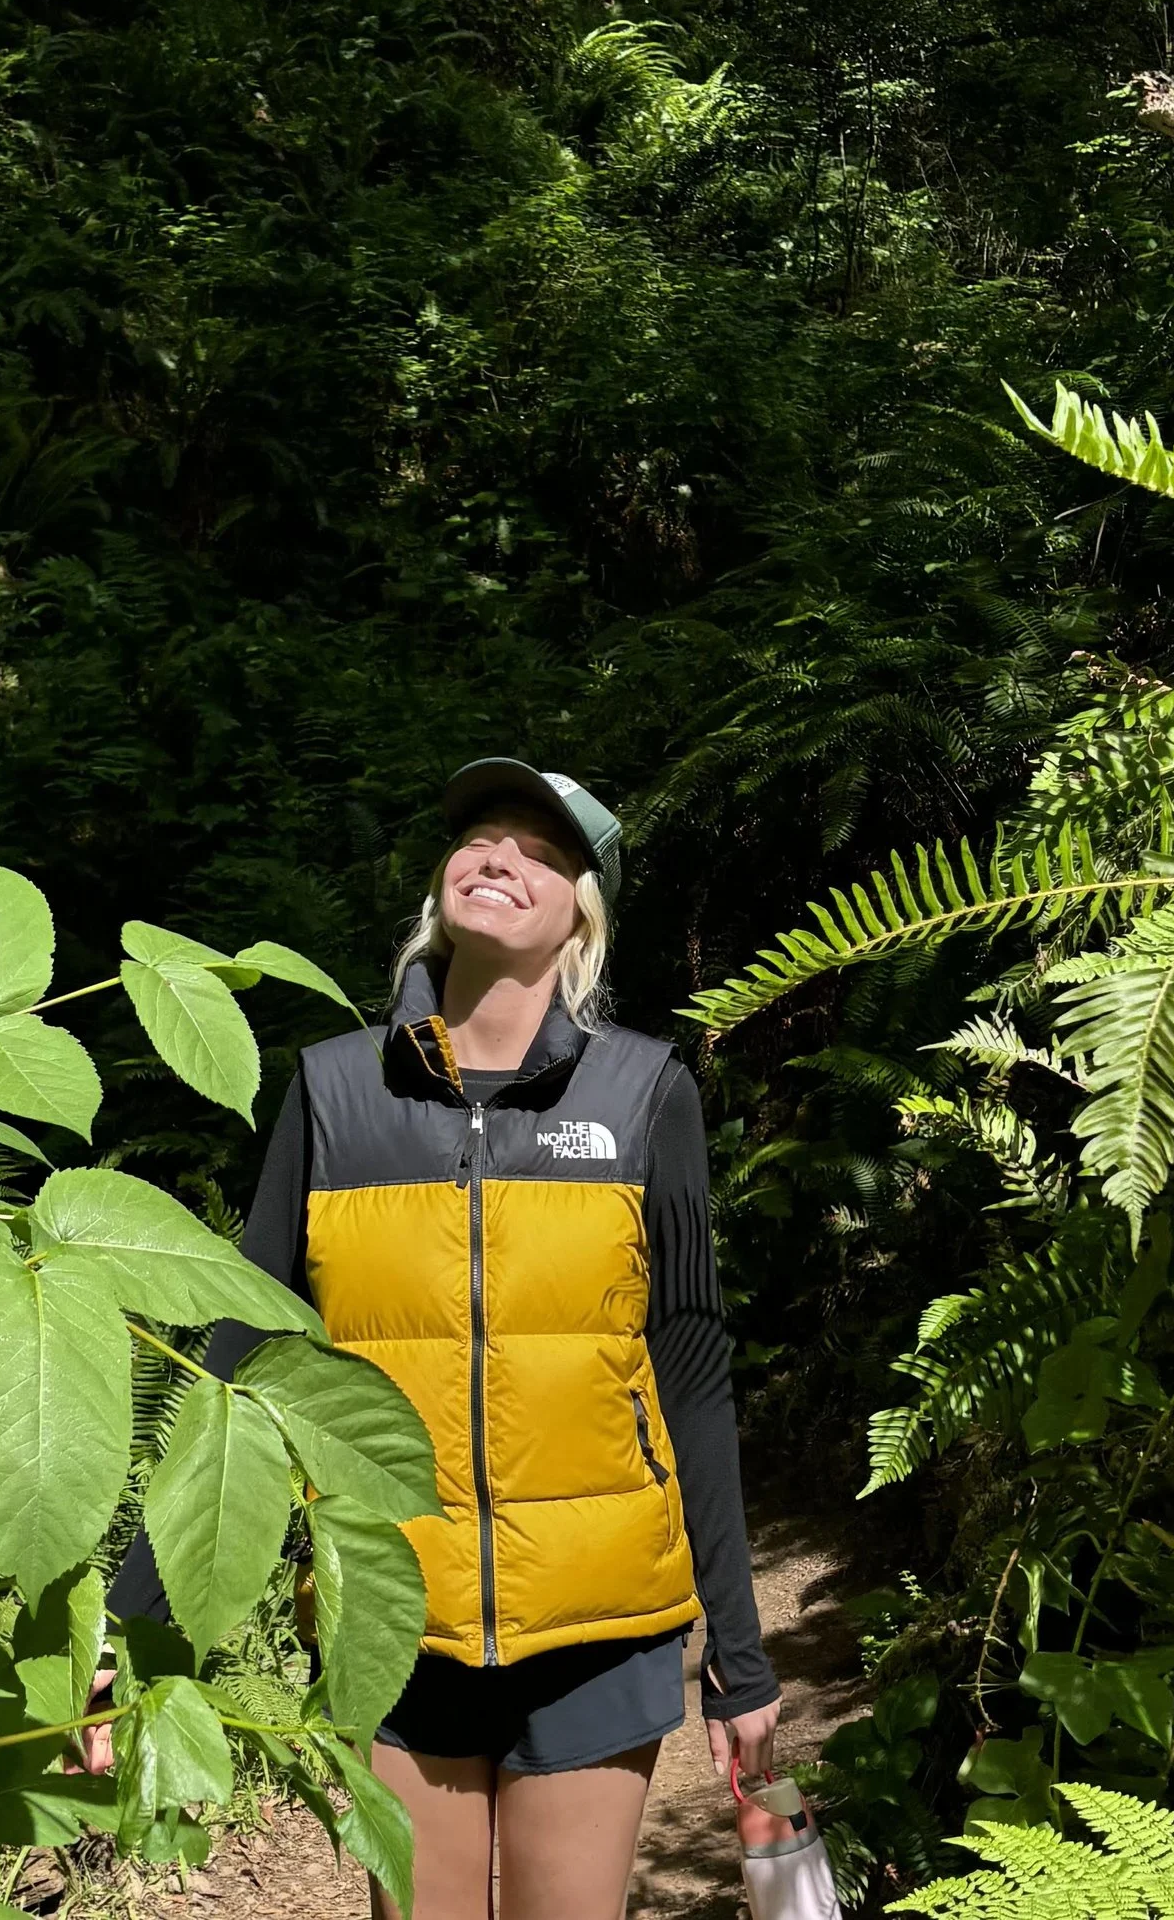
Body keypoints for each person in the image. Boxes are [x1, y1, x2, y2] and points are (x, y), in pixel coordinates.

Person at [108, 758, 781, 1919]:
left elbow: (689, 1367)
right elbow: (241, 1354)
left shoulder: (643, 1093)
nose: (499, 857)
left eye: (541, 848)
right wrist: (135, 1617)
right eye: (478, 835)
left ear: (583, 909)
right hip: (391, 1610)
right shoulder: (334, 1091)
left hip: (600, 1621)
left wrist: (741, 1654)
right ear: (440, 884)